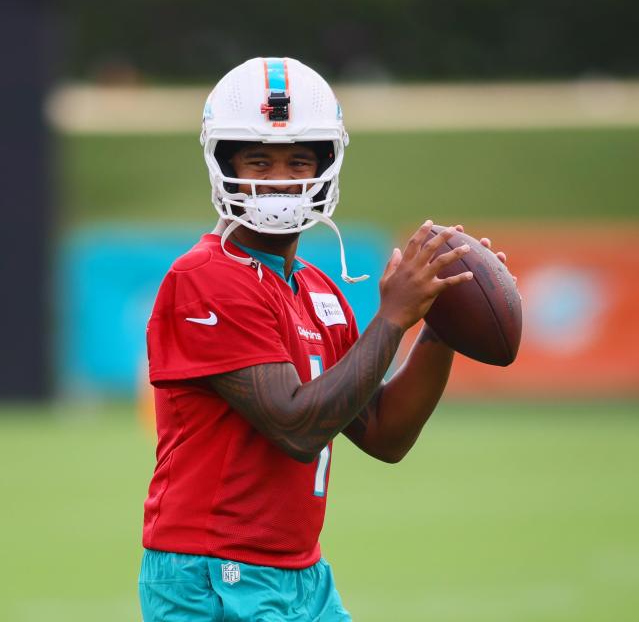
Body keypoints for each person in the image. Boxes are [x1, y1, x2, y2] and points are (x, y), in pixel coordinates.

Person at [138, 57, 508, 621]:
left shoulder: (318, 291)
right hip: (215, 571)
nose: (281, 179)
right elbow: (296, 426)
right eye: (259, 160)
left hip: (301, 571)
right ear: (223, 166)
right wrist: (391, 319)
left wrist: (441, 318)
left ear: (326, 167)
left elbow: (385, 434)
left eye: (298, 160)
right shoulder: (206, 276)